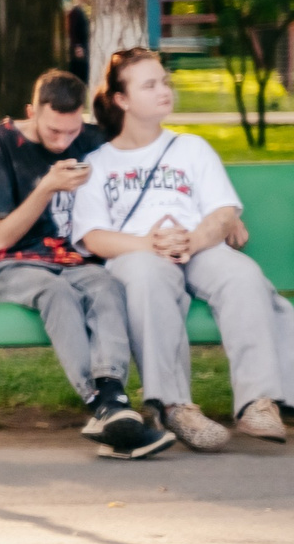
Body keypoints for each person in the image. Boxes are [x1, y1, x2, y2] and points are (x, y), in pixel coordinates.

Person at [77, 48, 292, 452]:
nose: (164, 90)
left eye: (165, 82)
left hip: (197, 245)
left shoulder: (192, 148)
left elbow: (224, 211)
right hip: (137, 253)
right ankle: (174, 406)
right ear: (121, 100)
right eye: (150, 84)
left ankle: (257, 402)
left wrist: (193, 240)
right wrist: (148, 244)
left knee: (242, 275)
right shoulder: (98, 164)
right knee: (146, 276)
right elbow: (93, 237)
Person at [0, 70, 167, 459]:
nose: (64, 142)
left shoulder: (91, 139)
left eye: (72, 132)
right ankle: (100, 403)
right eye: (53, 131)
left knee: (108, 287)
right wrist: (46, 187)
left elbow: (154, 164)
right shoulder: (1, 142)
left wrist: (222, 214)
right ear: (32, 111)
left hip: (74, 260)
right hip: (11, 265)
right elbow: (1, 238)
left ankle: (113, 397)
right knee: (56, 292)